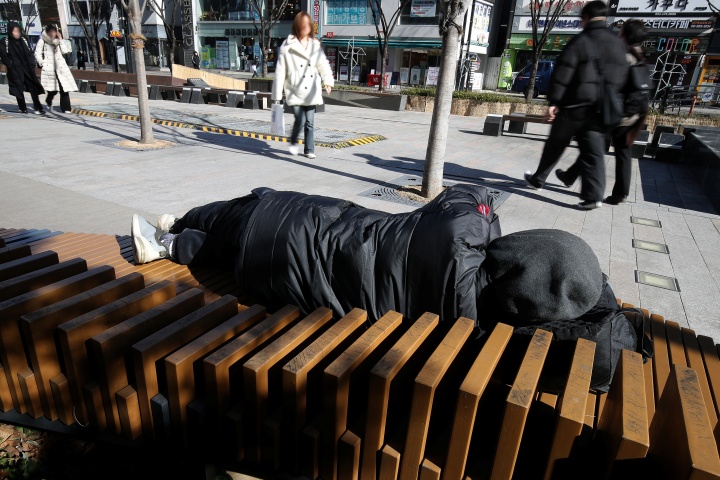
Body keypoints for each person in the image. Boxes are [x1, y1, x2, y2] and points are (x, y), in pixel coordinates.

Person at [523, 1, 629, 210]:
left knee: (556, 143)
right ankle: (594, 197)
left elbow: (563, 73)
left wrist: (554, 102)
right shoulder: (617, 44)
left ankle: (538, 178)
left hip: (575, 107)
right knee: (593, 153)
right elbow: (622, 77)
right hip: (601, 109)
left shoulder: (581, 41)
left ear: (586, 17)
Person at [555, 20, 649, 205]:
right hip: (632, 115)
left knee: (592, 147)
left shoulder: (622, 55)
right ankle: (619, 193)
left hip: (613, 114)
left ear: (625, 35)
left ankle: (577, 182)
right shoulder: (640, 58)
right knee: (622, 153)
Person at [272, 12, 334, 160]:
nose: (306, 27)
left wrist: (328, 80)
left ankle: (309, 149)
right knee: (300, 120)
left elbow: (323, 64)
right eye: (303, 24)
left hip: (312, 89)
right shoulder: (287, 46)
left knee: (310, 122)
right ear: (297, 26)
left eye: (308, 24)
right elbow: (280, 71)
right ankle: (293, 140)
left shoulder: (315, 45)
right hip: (295, 90)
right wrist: (277, 95)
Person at [0, 22, 45, 114]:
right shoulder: (5, 42)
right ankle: (23, 108)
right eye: (15, 31)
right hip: (15, 70)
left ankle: (38, 108)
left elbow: (30, 52)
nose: (17, 33)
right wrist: (10, 65)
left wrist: (32, 63)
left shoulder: (24, 40)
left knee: (33, 88)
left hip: (27, 68)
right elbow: (4, 56)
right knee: (18, 89)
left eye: (18, 31)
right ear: (10, 31)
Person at [35, 25, 78, 113]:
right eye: (51, 32)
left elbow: (65, 51)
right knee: (53, 90)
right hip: (49, 68)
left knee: (64, 88)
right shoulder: (42, 41)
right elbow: (37, 53)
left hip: (60, 68)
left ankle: (66, 108)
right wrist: (42, 62)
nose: (53, 34)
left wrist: (61, 39)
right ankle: (48, 100)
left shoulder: (58, 41)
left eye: (54, 32)